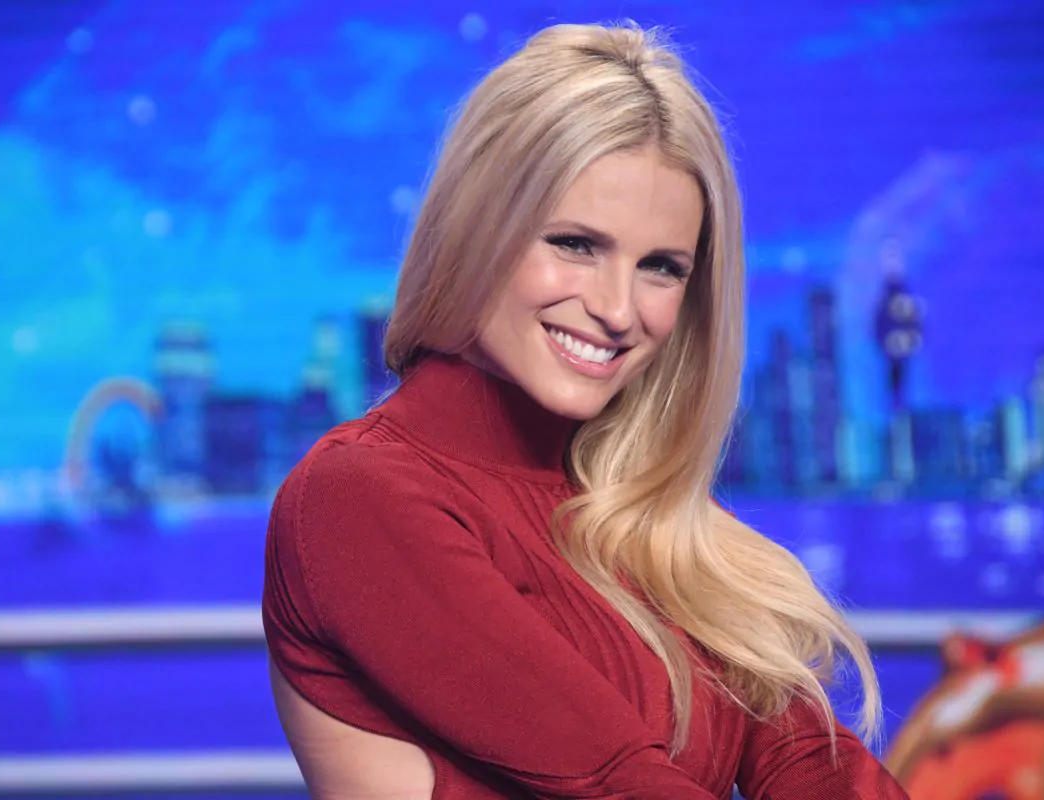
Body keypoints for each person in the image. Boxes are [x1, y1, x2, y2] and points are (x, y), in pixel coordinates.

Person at [262, 21, 910, 800]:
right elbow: (620, 783)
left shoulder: (651, 517)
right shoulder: (357, 495)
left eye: (661, 267)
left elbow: (809, 764)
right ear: (475, 227)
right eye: (575, 244)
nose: (617, 309)